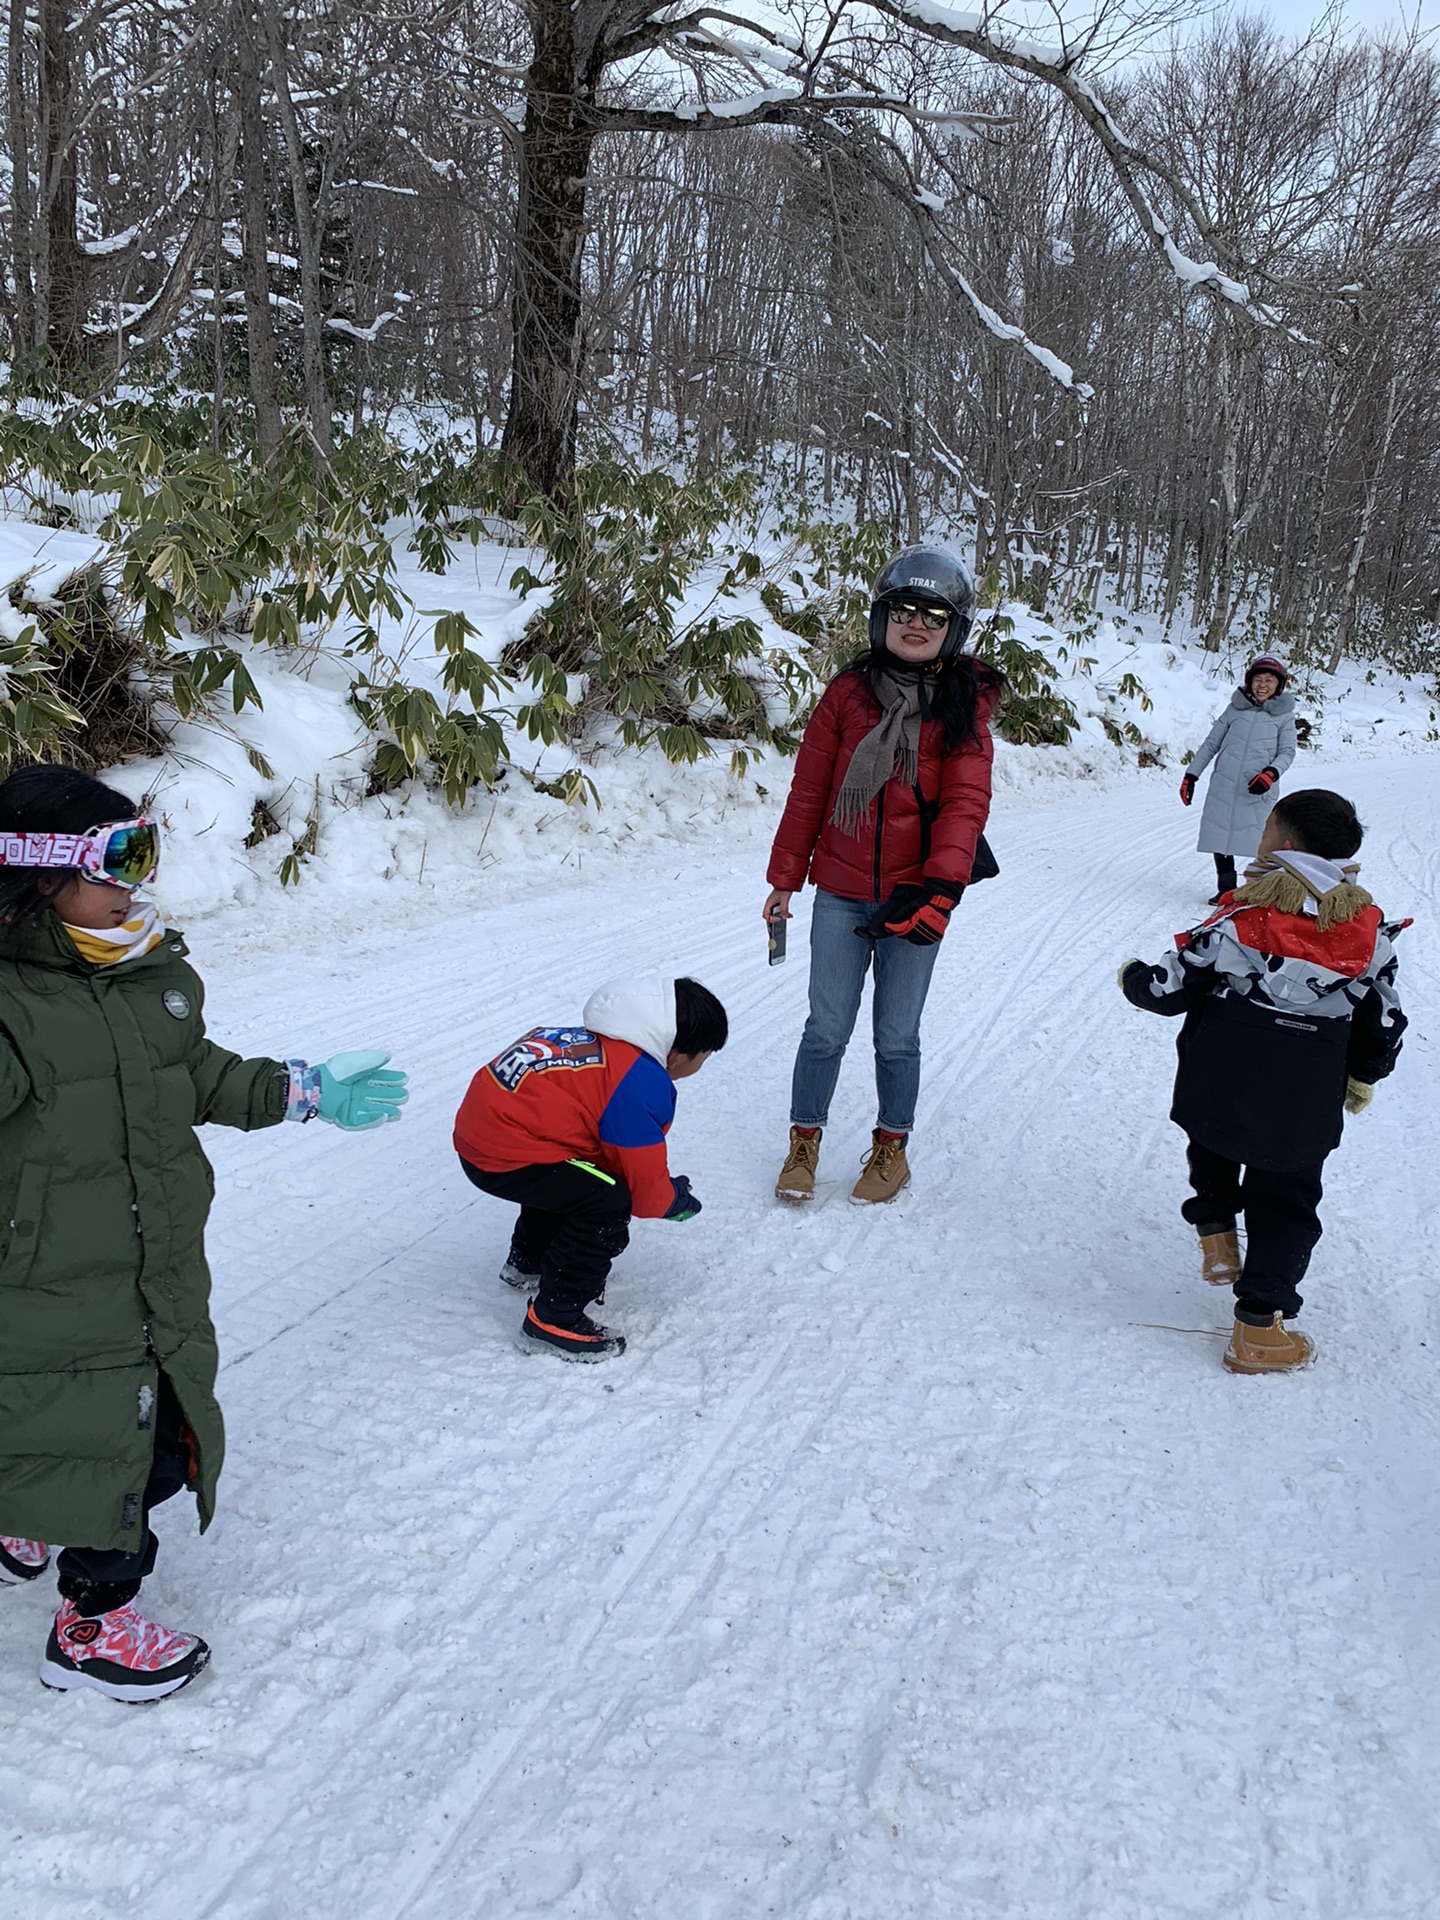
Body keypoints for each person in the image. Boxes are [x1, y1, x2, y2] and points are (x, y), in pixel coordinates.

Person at [0, 765, 408, 1701]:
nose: (137, 880)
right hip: (45, 1279)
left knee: (101, 1422)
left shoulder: (152, 975)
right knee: (120, 1446)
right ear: (34, 873)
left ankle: (23, 1512)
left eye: (146, 851)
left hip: (149, 1258)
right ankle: (92, 1622)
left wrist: (302, 1090)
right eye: (116, 858)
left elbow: (199, 1076)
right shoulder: (12, 1008)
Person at [1119, 789, 1406, 1374]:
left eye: (1267, 826)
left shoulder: (1242, 914)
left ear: (1286, 842)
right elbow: (1384, 1018)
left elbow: (1173, 985)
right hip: (1302, 1097)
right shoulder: (1367, 934)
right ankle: (1258, 1330)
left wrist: (1134, 980)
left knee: (1215, 1142)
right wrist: (1365, 1073)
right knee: (1287, 1200)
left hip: (1219, 1078)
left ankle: (1217, 1233)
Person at [764, 545, 1001, 1205]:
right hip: (839, 893)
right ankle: (804, 1141)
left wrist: (942, 893)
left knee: (897, 1035)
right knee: (825, 1028)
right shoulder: (848, 692)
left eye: (933, 613)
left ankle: (891, 1149)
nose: (917, 622)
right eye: (904, 609)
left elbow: (964, 805)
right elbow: (809, 791)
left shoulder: (964, 704)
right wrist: (785, 879)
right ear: (881, 617)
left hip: (915, 897)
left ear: (954, 627)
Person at [454, 974, 726, 1361]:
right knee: (607, 1199)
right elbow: (644, 1194)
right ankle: (554, 1318)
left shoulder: (592, 1043)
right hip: (505, 1153)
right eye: (706, 1055)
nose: (703, 1062)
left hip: (480, 1137)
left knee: (573, 1173)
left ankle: (528, 1261)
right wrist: (675, 1198)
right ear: (677, 1054)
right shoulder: (638, 1083)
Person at [1180, 653, 1297, 902]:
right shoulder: (1235, 709)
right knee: (1220, 836)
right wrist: (1192, 774)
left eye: (1269, 680)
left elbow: (1287, 752)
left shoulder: (1284, 716)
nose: (1262, 685)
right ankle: (1226, 890)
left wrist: (1270, 774)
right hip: (1224, 784)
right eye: (1257, 679)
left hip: (1258, 788)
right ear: (1249, 682)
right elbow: (1212, 743)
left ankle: (1265, 890)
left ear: (1279, 685)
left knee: (1262, 840)